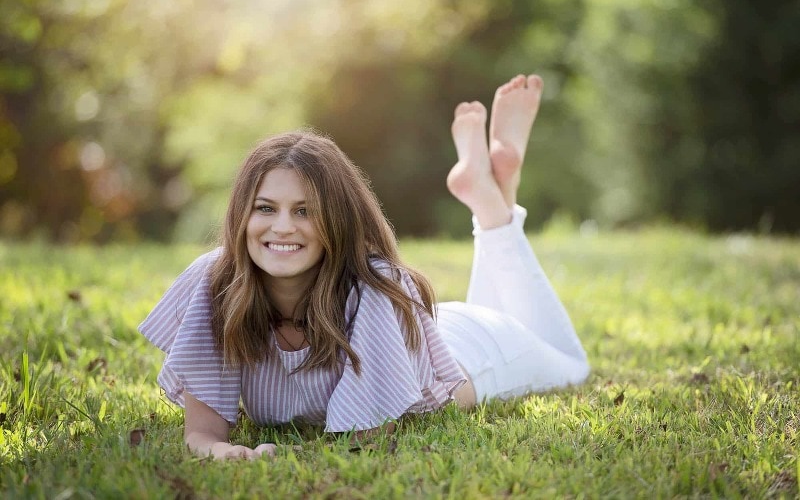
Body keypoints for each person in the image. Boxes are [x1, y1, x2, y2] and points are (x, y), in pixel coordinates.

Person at [139, 74, 590, 460]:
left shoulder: (373, 289)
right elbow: (203, 432)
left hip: (478, 354)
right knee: (504, 310)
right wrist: (221, 451)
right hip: (421, 328)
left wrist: (296, 457)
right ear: (242, 215)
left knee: (573, 364)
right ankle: (494, 192)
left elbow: (367, 436)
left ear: (337, 220)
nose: (282, 227)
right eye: (266, 208)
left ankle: (493, 206)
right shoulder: (216, 282)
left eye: (304, 211)